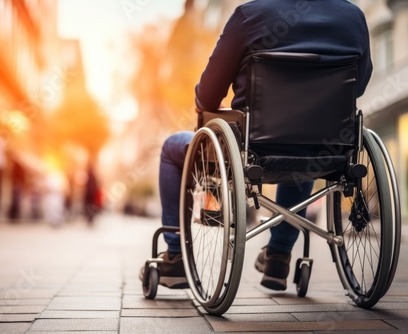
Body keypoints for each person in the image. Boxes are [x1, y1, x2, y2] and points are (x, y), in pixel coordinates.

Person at [144, 0, 373, 291]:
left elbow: (209, 95)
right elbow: (359, 85)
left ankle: (176, 254)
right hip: (323, 146)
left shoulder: (249, 16)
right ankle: (278, 256)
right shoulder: (353, 17)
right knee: (305, 143)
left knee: (172, 148)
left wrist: (210, 103)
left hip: (252, 147)